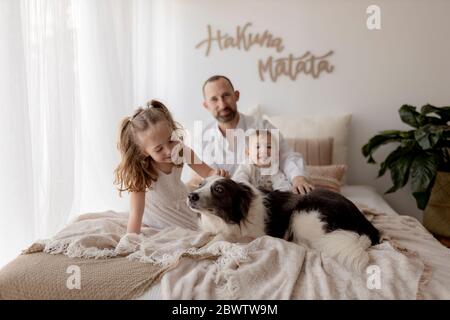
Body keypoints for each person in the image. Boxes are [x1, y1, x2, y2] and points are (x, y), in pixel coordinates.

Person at [114, 99, 228, 234]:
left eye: (170, 140)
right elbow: (135, 213)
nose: (168, 150)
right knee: (191, 234)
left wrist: (216, 174)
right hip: (159, 213)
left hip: (182, 202)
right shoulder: (141, 172)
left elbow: (208, 172)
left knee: (211, 226)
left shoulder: (183, 151)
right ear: (143, 152)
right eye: (158, 149)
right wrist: (131, 239)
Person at [197, 75, 313, 194]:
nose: (222, 104)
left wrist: (298, 178)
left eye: (226, 95)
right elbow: (204, 176)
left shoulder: (263, 126)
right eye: (214, 99)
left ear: (236, 95)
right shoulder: (203, 137)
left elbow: (286, 156)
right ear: (206, 105)